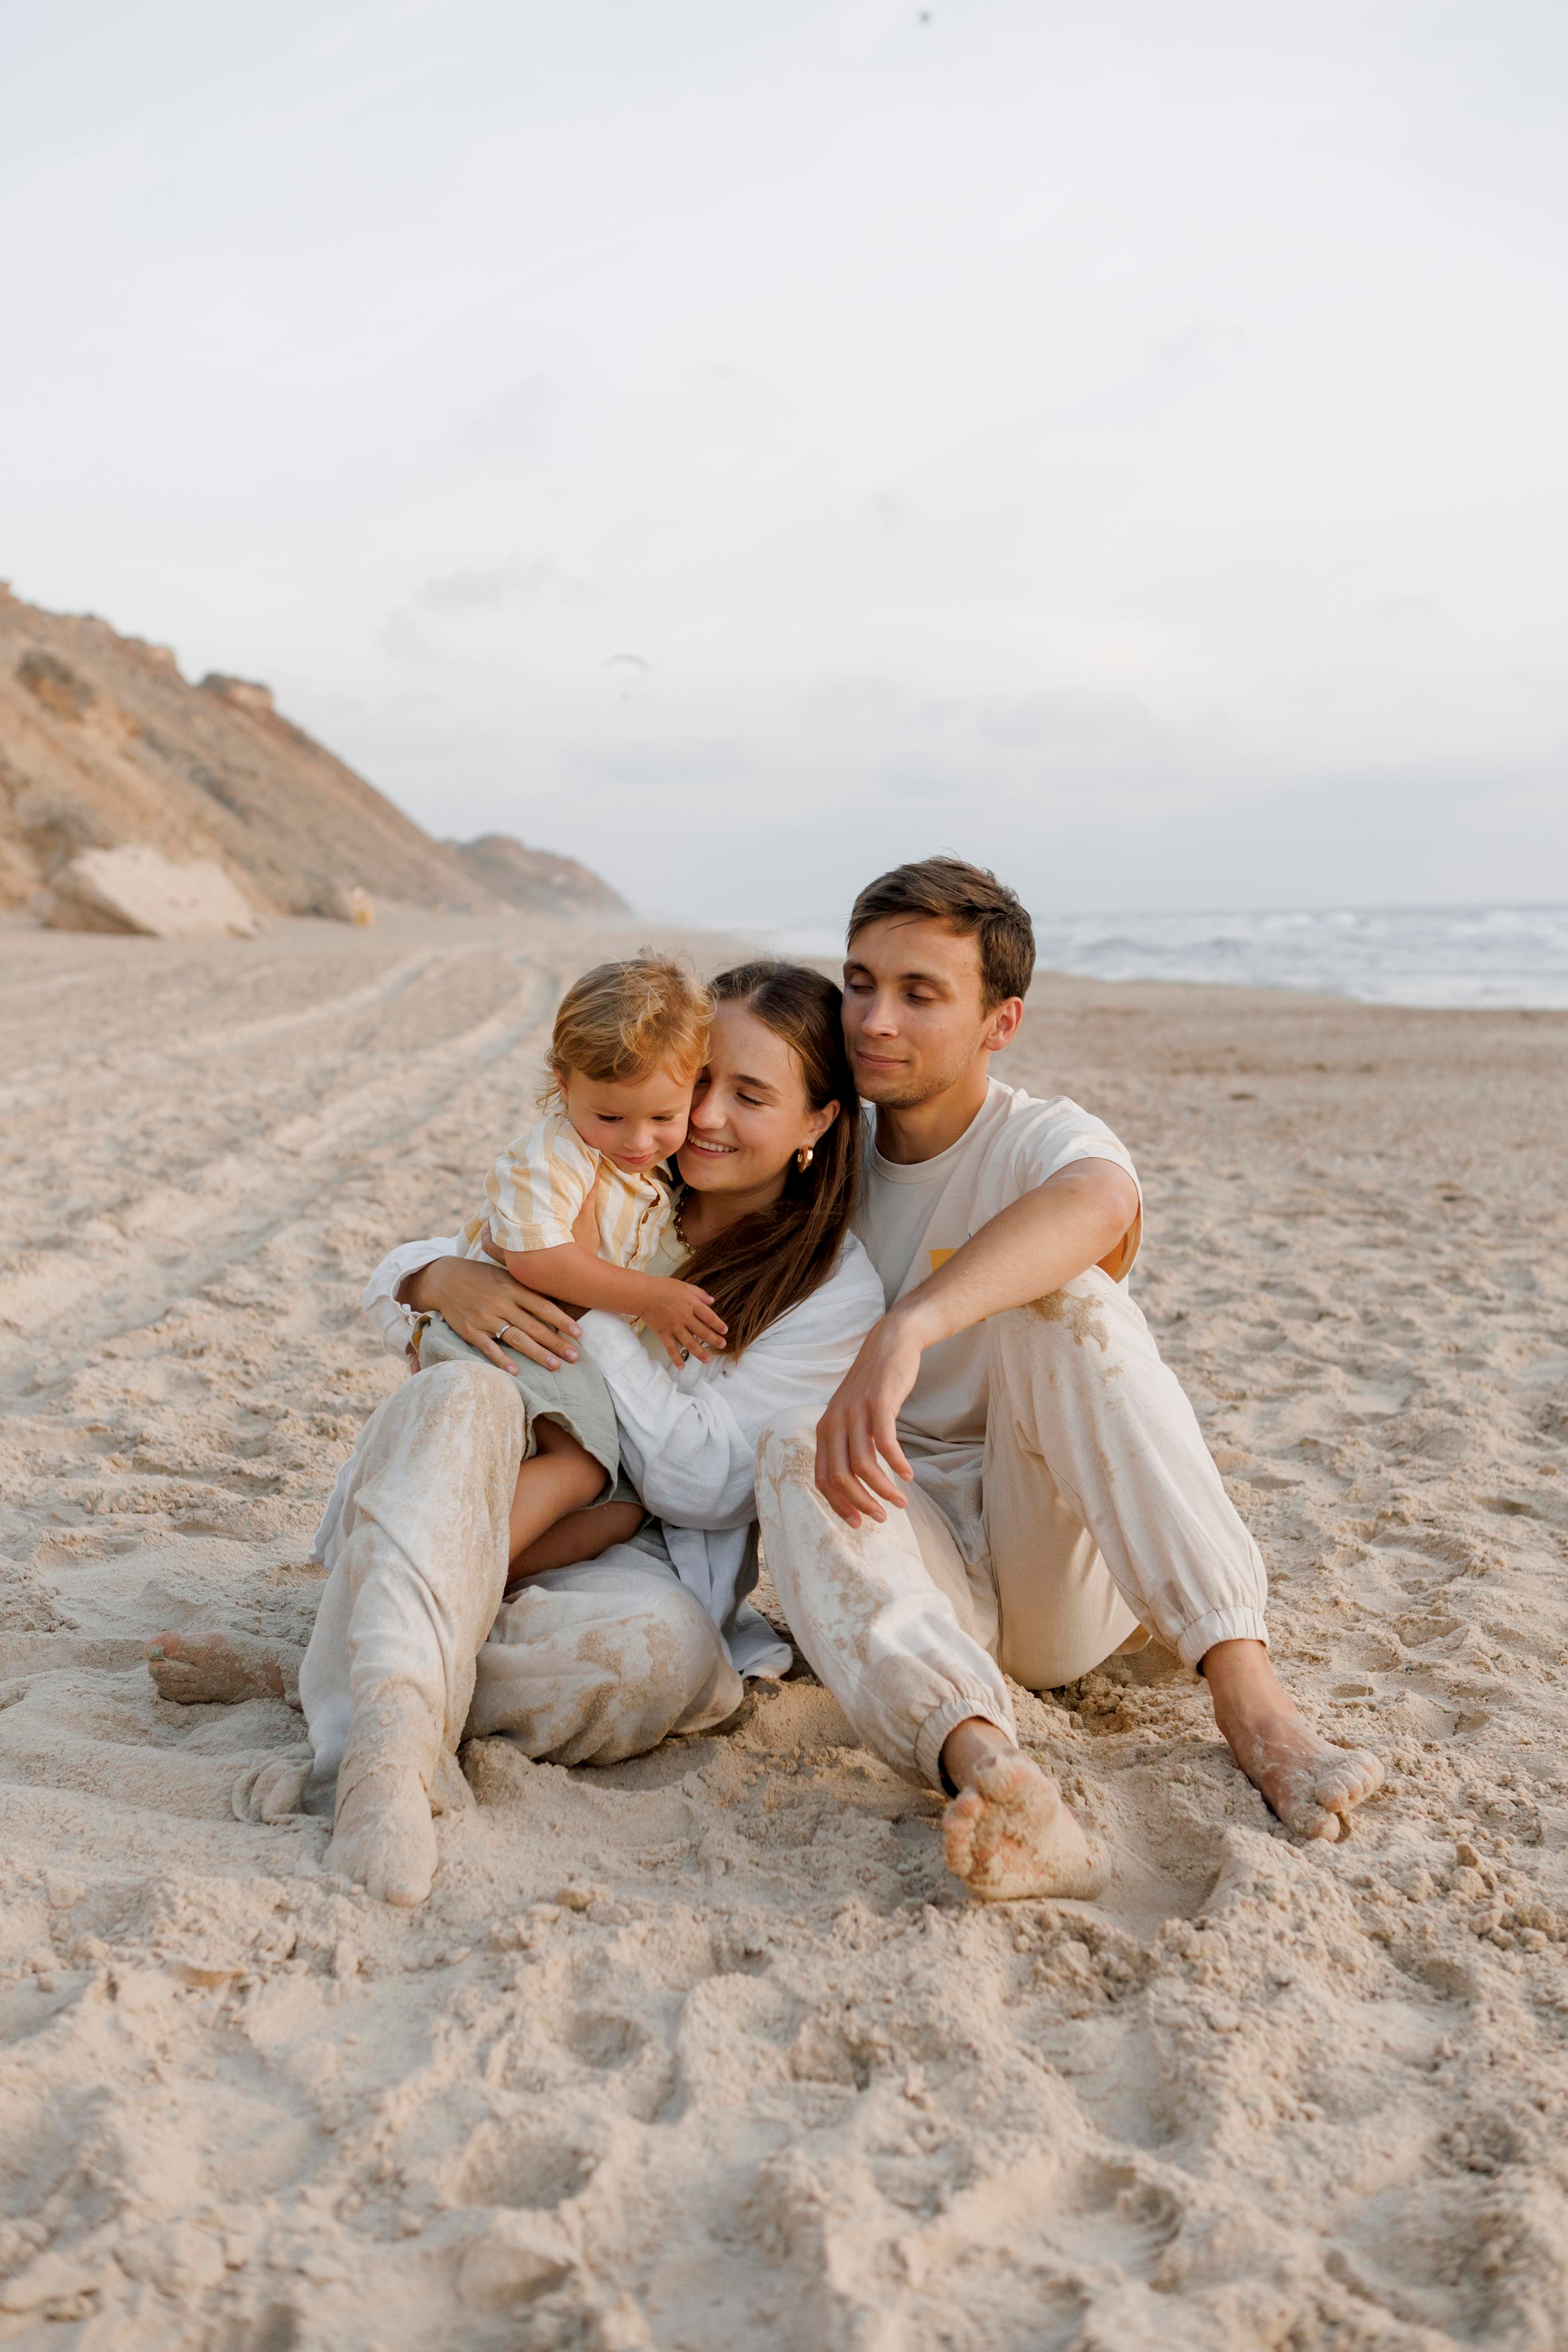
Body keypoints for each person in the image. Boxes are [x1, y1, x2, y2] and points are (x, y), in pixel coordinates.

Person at [149, 962, 886, 1909]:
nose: (701, 1117)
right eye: (702, 1080)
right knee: (472, 1401)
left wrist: (590, 1304)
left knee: (668, 1662)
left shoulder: (831, 1287)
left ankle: (324, 1670)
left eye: (749, 1095)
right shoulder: (628, 1149)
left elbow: (703, 1483)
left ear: (820, 1122)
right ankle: (388, 1763)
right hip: (463, 1484)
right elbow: (429, 1265)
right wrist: (434, 1281)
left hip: (634, 1558)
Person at [753, 857, 1384, 1902]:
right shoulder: (821, 1140)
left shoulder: (1037, 1136)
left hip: (1044, 1564)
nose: (874, 1019)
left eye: (921, 994)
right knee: (786, 1439)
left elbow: (1099, 1201)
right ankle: (994, 1775)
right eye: (861, 982)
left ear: (1001, 1024)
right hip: (909, 1565)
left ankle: (1254, 1706)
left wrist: (913, 1323)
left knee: (1069, 1300)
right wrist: (438, 1274)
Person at [430, 951, 726, 1576]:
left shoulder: (645, 1170)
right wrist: (647, 1297)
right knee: (580, 1467)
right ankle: (450, 1573)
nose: (638, 1140)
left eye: (663, 1118)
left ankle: (495, 1574)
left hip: (556, 1346)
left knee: (619, 1508)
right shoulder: (558, 1154)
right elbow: (538, 1260)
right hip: (509, 1328)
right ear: (564, 1087)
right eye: (610, 1117)